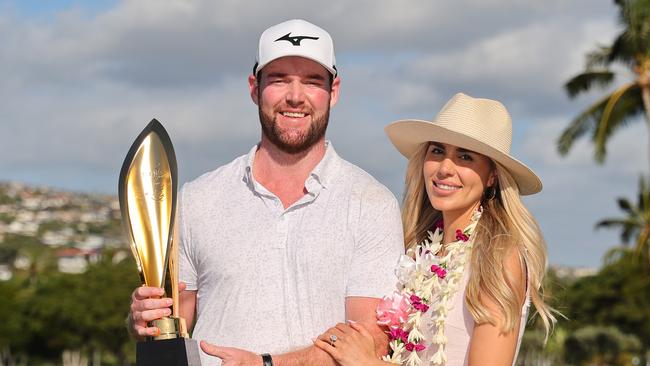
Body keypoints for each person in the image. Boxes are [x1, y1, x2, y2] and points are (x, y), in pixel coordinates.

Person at [126, 19, 403, 366]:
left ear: (334, 91)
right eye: (279, 79)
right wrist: (143, 320)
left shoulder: (371, 202)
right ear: (254, 88)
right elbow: (173, 320)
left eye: (312, 81)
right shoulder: (197, 198)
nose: (295, 96)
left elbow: (370, 340)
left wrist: (266, 363)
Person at [314, 93, 556, 365]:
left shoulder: (498, 257)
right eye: (438, 151)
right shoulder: (416, 251)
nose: (444, 168)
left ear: (492, 176)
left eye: (465, 157)